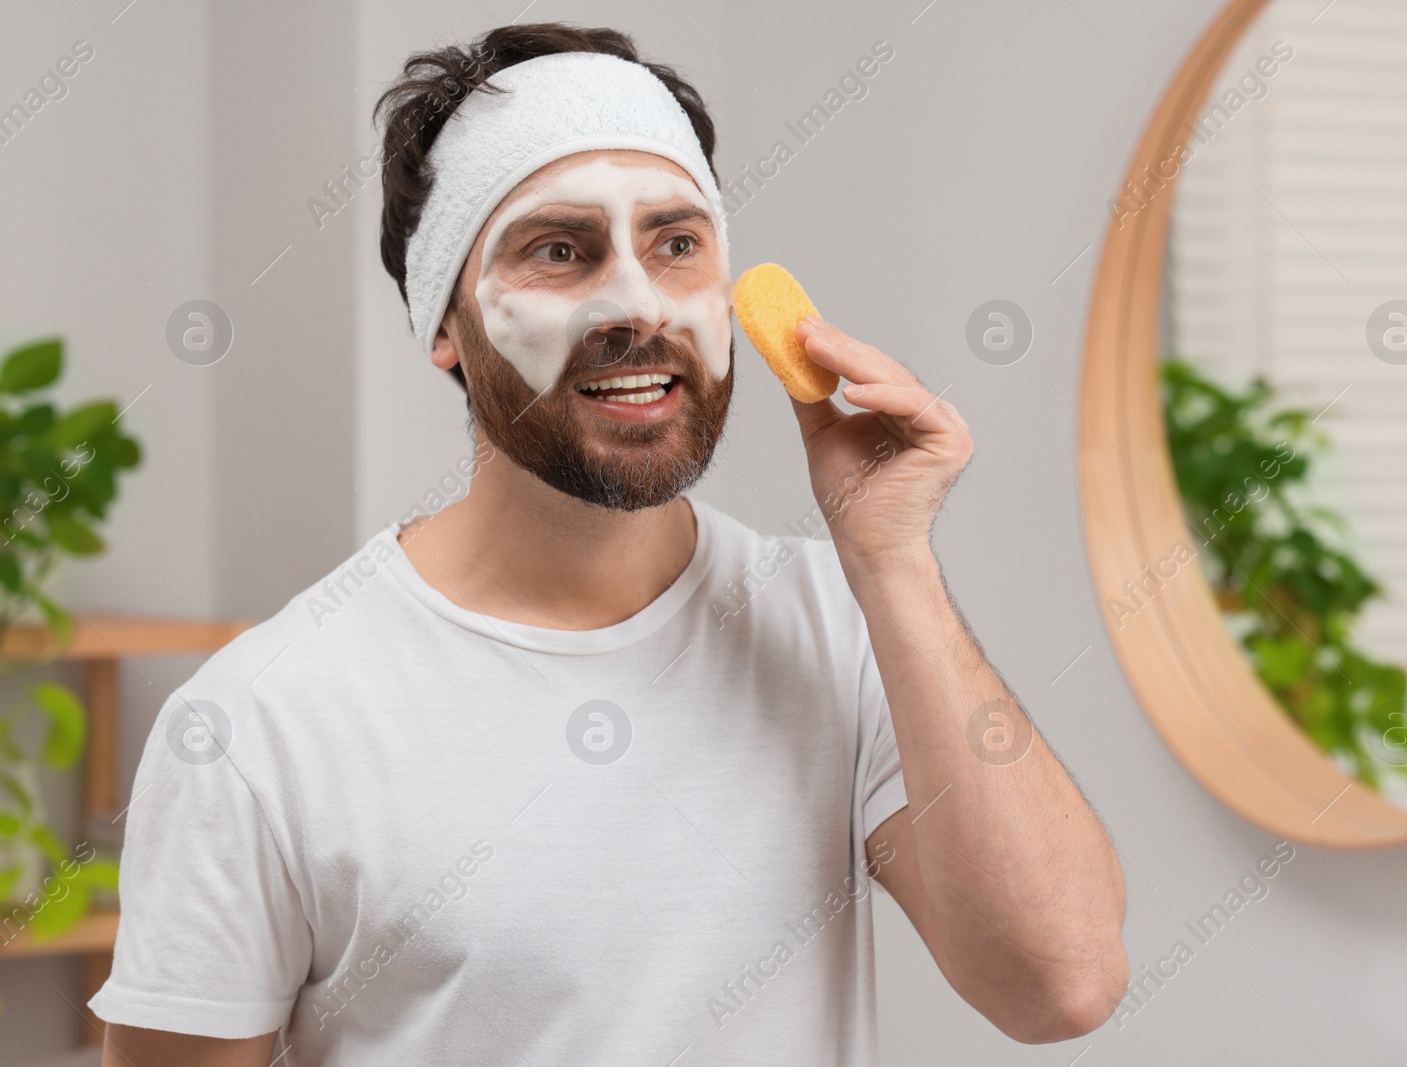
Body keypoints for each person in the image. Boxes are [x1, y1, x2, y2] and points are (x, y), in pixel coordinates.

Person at [89, 23, 1127, 1066]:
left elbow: (1058, 984)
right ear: (442, 321)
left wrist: (892, 559)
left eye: (677, 244)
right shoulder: (256, 723)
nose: (637, 305)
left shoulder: (839, 622)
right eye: (559, 250)